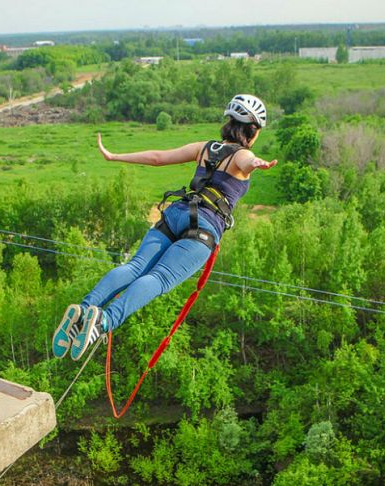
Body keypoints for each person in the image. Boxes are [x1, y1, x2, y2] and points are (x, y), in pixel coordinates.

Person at [52, 94, 277, 361]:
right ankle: (103, 321)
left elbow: (158, 157)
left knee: (135, 267)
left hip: (177, 213)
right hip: (203, 228)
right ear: (253, 131)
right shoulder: (244, 154)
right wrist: (256, 163)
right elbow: (246, 161)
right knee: (158, 279)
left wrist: (114, 157)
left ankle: (85, 309)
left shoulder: (205, 148)